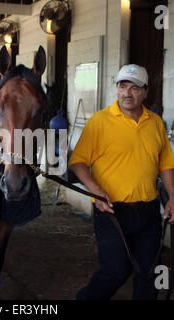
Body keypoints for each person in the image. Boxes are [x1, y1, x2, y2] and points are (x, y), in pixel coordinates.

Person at [69, 64, 174, 300]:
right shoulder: (100, 121)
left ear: (145, 92)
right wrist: (95, 191)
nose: (128, 93)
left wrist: (173, 197)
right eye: (122, 86)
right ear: (116, 89)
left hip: (148, 212)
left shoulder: (156, 123)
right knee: (116, 271)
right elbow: (78, 162)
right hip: (112, 212)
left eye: (135, 88)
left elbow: (165, 163)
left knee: (149, 274)